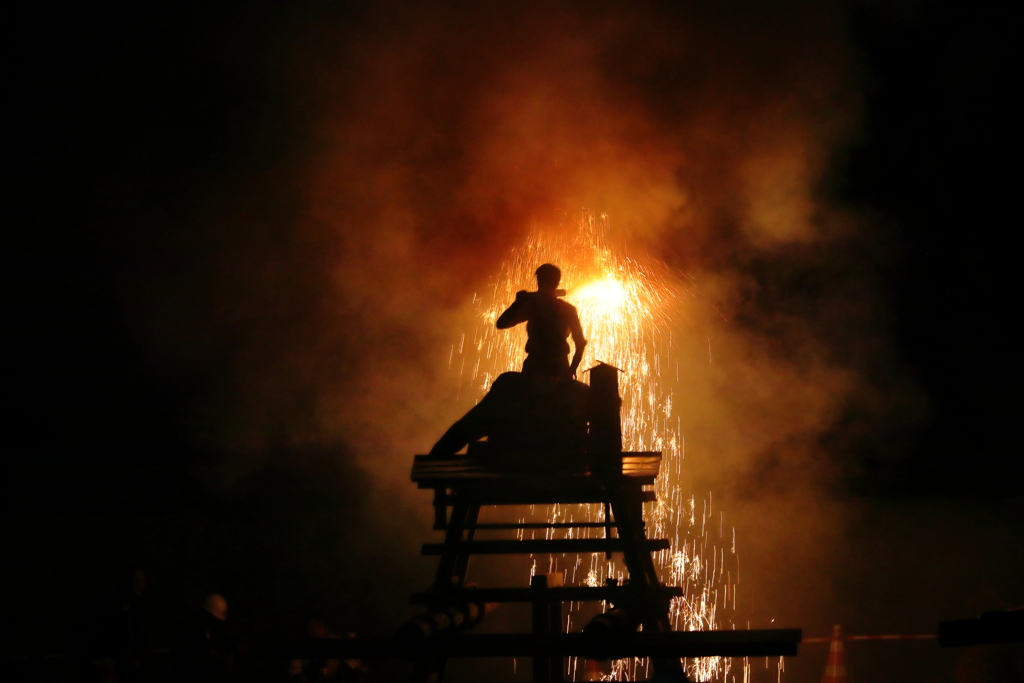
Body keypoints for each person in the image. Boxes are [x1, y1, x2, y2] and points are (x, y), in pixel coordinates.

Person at [496, 263, 587, 379]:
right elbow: (580, 343)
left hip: (536, 367)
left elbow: (502, 323)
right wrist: (571, 370)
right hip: (557, 367)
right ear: (557, 282)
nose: (539, 283)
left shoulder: (534, 307)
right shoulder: (567, 309)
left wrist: (517, 303)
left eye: (541, 280)